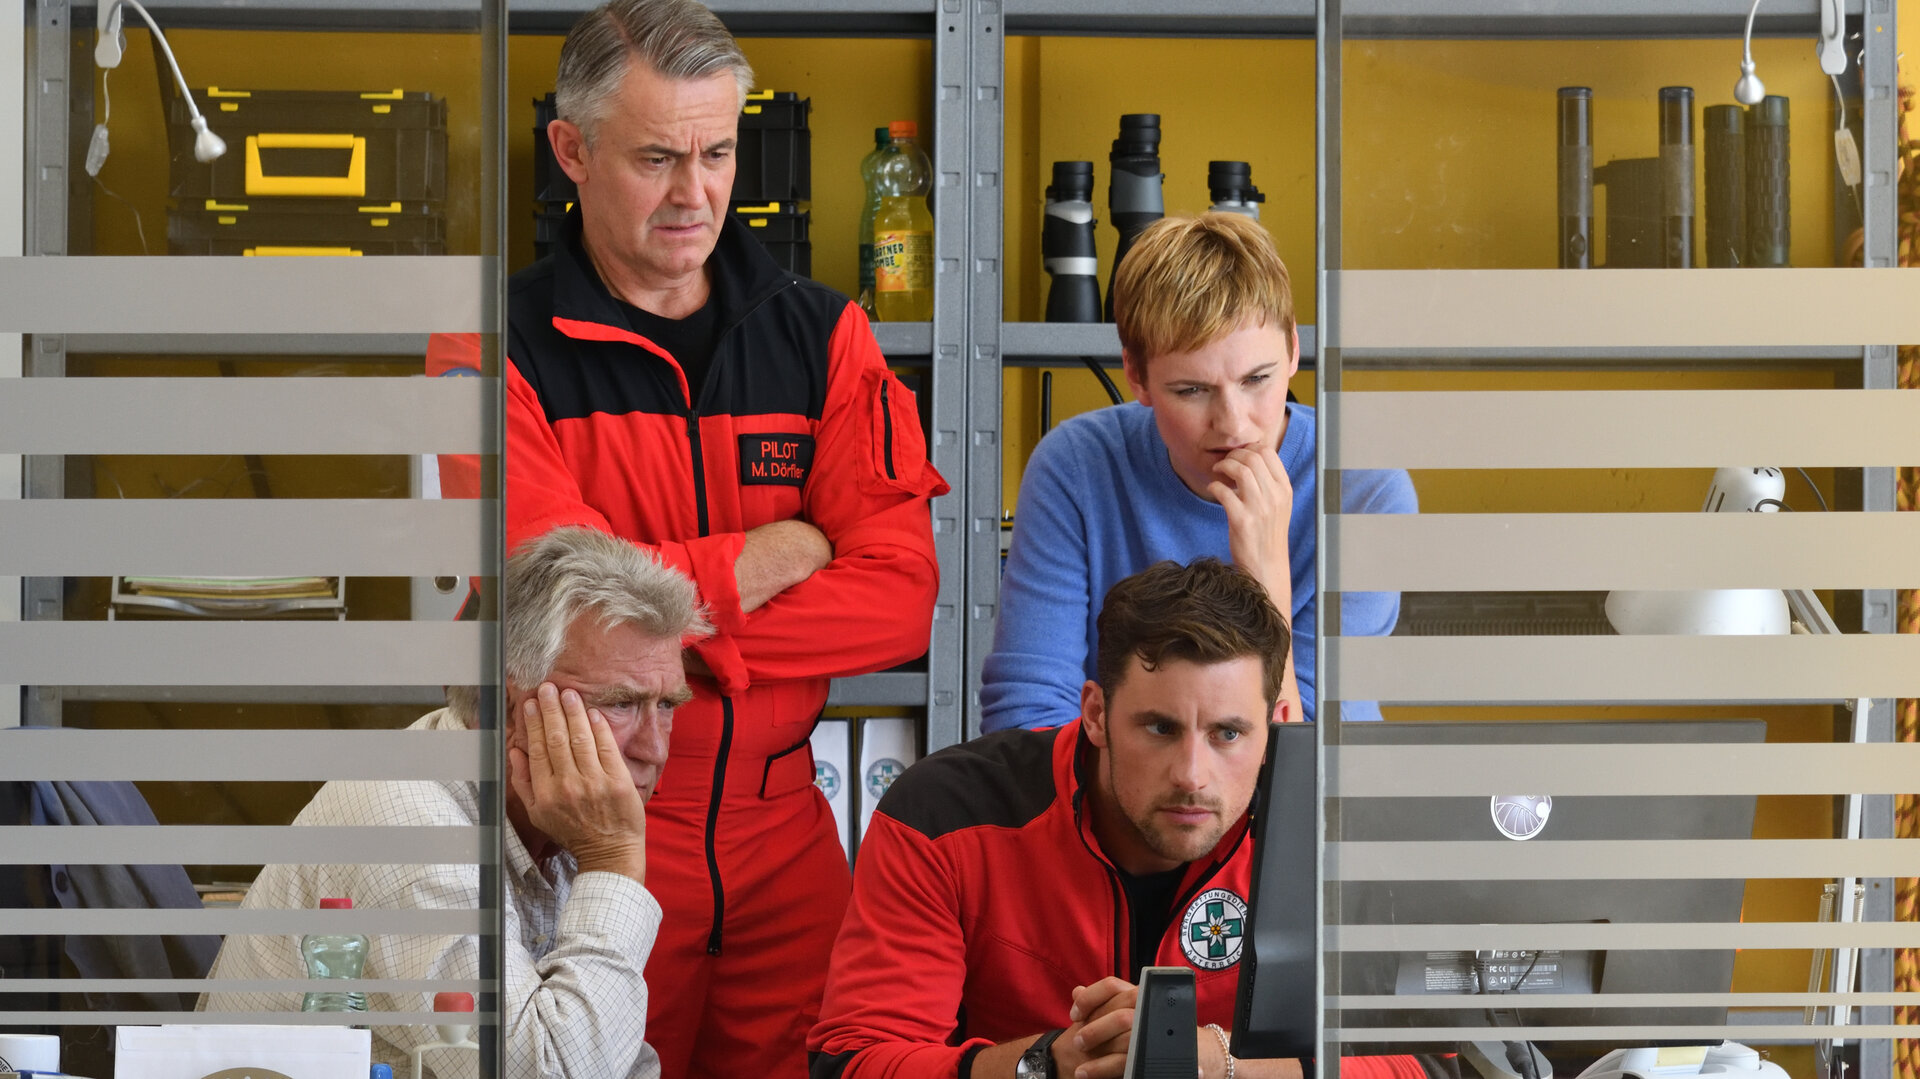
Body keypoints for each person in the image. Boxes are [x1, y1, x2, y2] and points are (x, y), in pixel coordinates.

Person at [427, 1, 947, 1073]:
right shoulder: (486, 345)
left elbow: (899, 599)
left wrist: (660, 630)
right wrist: (769, 555)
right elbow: (560, 617)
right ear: (570, 150)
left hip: (787, 840)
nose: (696, 193)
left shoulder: (826, 334)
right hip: (585, 830)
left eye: (718, 152)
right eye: (658, 157)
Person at [808, 559, 1447, 1079]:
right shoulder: (945, 814)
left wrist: (1222, 1066)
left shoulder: (1335, 837)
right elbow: (852, 1063)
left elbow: (1443, 1062)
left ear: (1276, 728)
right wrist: (1048, 1062)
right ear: (1094, 714)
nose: (1192, 774)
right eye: (1159, 728)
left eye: (1228, 733)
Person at [201, 526, 710, 1079]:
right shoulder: (407, 822)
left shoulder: (555, 813)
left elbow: (616, 1060)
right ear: (512, 705)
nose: (654, 748)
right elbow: (546, 1074)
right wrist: (613, 861)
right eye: (621, 704)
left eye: (666, 705)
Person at [980, 212, 1415, 733]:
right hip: (1107, 809)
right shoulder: (1076, 467)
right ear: (1137, 377)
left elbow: (1305, 761)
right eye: (1192, 390)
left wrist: (1267, 572)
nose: (1233, 424)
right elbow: (1026, 720)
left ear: (1295, 349)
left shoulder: (1365, 490)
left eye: (1257, 379)